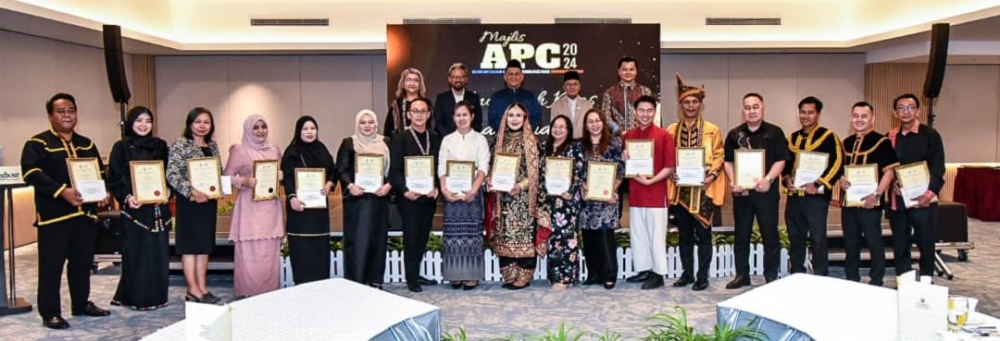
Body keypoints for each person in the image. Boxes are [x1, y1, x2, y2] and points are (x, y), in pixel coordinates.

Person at [21, 93, 111, 329]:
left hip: (85, 216)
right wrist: (62, 191)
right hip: (54, 218)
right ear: (50, 115)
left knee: (82, 264)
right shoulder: (37, 144)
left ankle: (81, 304)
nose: (67, 114)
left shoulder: (87, 143)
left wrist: (103, 193)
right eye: (61, 111)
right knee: (51, 267)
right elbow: (30, 173)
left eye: (71, 110)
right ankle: (50, 312)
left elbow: (99, 174)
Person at [107, 106, 173, 311]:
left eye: (148, 121)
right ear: (130, 123)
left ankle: (158, 296)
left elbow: (168, 174)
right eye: (139, 121)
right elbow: (113, 179)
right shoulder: (121, 147)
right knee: (137, 253)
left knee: (158, 252)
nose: (144, 125)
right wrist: (126, 197)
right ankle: (136, 297)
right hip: (134, 209)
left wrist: (168, 190)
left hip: (157, 208)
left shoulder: (160, 145)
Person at [665, 74, 726, 291]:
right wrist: (670, 171)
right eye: (686, 102)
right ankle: (687, 274)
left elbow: (719, 155)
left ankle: (703, 276)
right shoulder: (671, 130)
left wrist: (710, 177)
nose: (690, 106)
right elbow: (666, 157)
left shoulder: (712, 129)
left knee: (704, 236)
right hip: (680, 191)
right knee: (684, 236)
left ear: (701, 104)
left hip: (704, 190)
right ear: (680, 105)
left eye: (694, 102)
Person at [723, 93, 789, 289]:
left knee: (770, 234)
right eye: (747, 107)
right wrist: (733, 181)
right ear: (743, 110)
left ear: (763, 108)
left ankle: (771, 275)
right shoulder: (735, 134)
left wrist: (769, 179)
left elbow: (781, 159)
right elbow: (727, 161)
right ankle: (742, 275)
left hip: (766, 193)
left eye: (755, 106)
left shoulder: (775, 132)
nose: (751, 110)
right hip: (742, 194)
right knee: (741, 234)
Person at [223, 115, 285, 298]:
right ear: (248, 130)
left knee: (269, 252)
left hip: (270, 208)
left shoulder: (275, 150)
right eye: (255, 127)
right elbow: (225, 178)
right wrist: (244, 181)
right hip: (249, 209)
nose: (260, 131)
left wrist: (282, 178)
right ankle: (248, 292)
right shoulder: (239, 150)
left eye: (263, 126)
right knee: (249, 253)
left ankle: (269, 293)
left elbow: (278, 177)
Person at [488, 102, 547, 290]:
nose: (514, 119)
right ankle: (509, 274)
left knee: (523, 236)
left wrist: (520, 186)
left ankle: (524, 275)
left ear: (525, 118)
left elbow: (537, 172)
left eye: (518, 115)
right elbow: (492, 167)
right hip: (502, 198)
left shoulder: (532, 143)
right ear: (505, 118)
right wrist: (490, 180)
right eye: (511, 115)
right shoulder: (498, 141)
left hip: (523, 199)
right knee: (504, 234)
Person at [782, 96, 843, 277]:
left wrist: (818, 184)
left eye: (810, 112)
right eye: (802, 112)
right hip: (794, 198)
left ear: (818, 114)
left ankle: (820, 275)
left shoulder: (829, 136)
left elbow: (838, 163)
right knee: (795, 238)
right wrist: (787, 179)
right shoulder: (791, 138)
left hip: (816, 198)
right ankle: (797, 274)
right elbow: (785, 165)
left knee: (818, 239)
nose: (806, 116)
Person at [886, 93, 946, 277]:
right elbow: (885, 167)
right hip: (898, 200)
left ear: (918, 111)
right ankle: (904, 280)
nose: (906, 111)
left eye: (910, 107)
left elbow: (938, 167)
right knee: (900, 243)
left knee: (925, 243)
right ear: (895, 113)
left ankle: (927, 280)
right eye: (901, 108)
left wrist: (928, 195)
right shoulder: (889, 136)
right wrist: (892, 182)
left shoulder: (930, 135)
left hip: (923, 200)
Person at [166, 107, 222, 304]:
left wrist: (218, 187)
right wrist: (192, 192)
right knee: (190, 247)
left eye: (206, 122)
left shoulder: (213, 146)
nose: (202, 126)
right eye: (198, 121)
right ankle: (192, 289)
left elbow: (218, 172)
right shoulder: (180, 145)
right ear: (190, 123)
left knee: (204, 246)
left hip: (208, 203)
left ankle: (202, 287)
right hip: (189, 203)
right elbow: (172, 175)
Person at [839, 101, 898, 286]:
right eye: (856, 116)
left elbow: (890, 171)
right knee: (850, 243)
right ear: (851, 118)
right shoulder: (846, 143)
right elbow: (840, 171)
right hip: (849, 203)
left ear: (872, 119)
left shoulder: (882, 142)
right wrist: (841, 179)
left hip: (871, 202)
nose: (859, 119)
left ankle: (876, 279)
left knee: (874, 242)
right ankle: (852, 278)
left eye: (864, 116)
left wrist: (878, 195)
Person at [622, 96, 676, 290]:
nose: (645, 114)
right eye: (641, 110)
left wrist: (651, 180)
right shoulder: (628, 136)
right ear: (635, 112)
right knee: (638, 234)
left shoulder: (664, 135)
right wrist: (625, 158)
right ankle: (644, 269)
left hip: (655, 193)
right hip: (636, 193)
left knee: (656, 236)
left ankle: (658, 273)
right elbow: (627, 165)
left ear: (655, 112)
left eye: (649, 110)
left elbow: (670, 167)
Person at [389, 98, 442, 292]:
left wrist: (436, 186)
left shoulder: (435, 137)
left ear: (428, 114)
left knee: (422, 236)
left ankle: (416, 273)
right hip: (409, 198)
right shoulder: (400, 138)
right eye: (415, 111)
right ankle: (411, 278)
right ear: (409, 114)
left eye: (423, 111)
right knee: (411, 236)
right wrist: (405, 191)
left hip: (428, 197)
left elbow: (439, 168)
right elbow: (394, 171)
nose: (419, 115)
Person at [337, 110, 393, 289]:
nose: (367, 126)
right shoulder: (349, 143)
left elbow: (394, 169)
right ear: (357, 124)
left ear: (376, 124)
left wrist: (388, 186)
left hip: (379, 199)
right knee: (358, 241)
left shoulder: (386, 143)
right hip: (357, 201)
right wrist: (350, 186)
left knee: (377, 240)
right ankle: (357, 282)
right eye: (363, 122)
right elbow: (341, 169)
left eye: (370, 122)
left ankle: (375, 280)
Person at [438, 101, 490, 290]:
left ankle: (471, 276)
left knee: (472, 235)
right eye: (458, 115)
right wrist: (444, 190)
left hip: (472, 194)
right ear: (453, 118)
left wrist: (474, 190)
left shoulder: (480, 140)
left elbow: (483, 167)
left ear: (472, 117)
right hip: (452, 194)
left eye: (465, 115)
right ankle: (455, 275)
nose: (461, 118)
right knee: (453, 235)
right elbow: (441, 167)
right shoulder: (447, 140)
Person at [281, 116, 337, 285]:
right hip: (299, 208)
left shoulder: (322, 149)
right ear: (299, 131)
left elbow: (333, 170)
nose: (309, 132)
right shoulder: (292, 151)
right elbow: (288, 177)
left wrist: (329, 184)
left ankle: (321, 285)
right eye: (305, 129)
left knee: (319, 248)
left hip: (319, 210)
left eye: (313, 128)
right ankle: (302, 285)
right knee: (302, 249)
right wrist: (291, 197)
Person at [577, 109, 625, 290]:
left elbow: (620, 170)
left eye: (597, 121)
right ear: (586, 125)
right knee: (589, 238)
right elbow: (577, 170)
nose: (594, 124)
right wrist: (582, 185)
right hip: (587, 200)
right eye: (590, 122)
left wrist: (613, 190)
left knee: (605, 237)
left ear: (603, 123)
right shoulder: (580, 146)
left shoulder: (614, 144)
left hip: (607, 199)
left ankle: (609, 274)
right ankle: (593, 274)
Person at [541, 115, 585, 290]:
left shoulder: (574, 148)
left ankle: (567, 278)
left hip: (566, 201)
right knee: (552, 239)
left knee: (567, 239)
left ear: (568, 130)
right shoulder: (544, 147)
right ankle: (554, 276)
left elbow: (580, 171)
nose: (558, 129)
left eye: (562, 127)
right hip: (549, 200)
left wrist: (571, 191)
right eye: (555, 126)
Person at [601, 56, 654, 136]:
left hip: (642, 139)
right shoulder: (609, 93)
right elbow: (606, 117)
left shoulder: (645, 91)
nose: (628, 72)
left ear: (636, 72)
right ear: (619, 71)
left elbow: (650, 115)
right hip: (617, 141)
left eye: (631, 69)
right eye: (625, 69)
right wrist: (620, 132)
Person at [488, 60, 543, 132]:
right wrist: (509, 130)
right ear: (505, 77)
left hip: (526, 138)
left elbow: (536, 118)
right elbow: (492, 119)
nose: (513, 77)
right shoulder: (496, 97)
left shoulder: (530, 96)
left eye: (517, 74)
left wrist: (522, 130)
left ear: (522, 77)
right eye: (510, 74)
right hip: (503, 139)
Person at [434, 63, 484, 135]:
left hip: (470, 142)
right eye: (454, 77)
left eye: (461, 77)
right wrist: (451, 138)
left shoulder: (474, 98)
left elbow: (478, 123)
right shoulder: (441, 99)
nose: (458, 80)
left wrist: (468, 137)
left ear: (466, 79)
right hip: (448, 141)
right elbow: (439, 124)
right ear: (449, 79)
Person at [385, 68, 430, 137]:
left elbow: (431, 126)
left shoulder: (426, 103)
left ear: (420, 84)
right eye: (408, 80)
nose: (412, 83)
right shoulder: (396, 104)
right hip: (400, 143)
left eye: (416, 80)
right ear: (403, 83)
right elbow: (388, 130)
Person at [549, 71, 592, 138]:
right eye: (568, 84)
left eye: (575, 84)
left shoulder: (587, 105)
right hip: (563, 144)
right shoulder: (556, 105)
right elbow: (554, 128)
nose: (572, 87)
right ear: (564, 87)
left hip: (583, 144)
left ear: (579, 86)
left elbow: (590, 127)